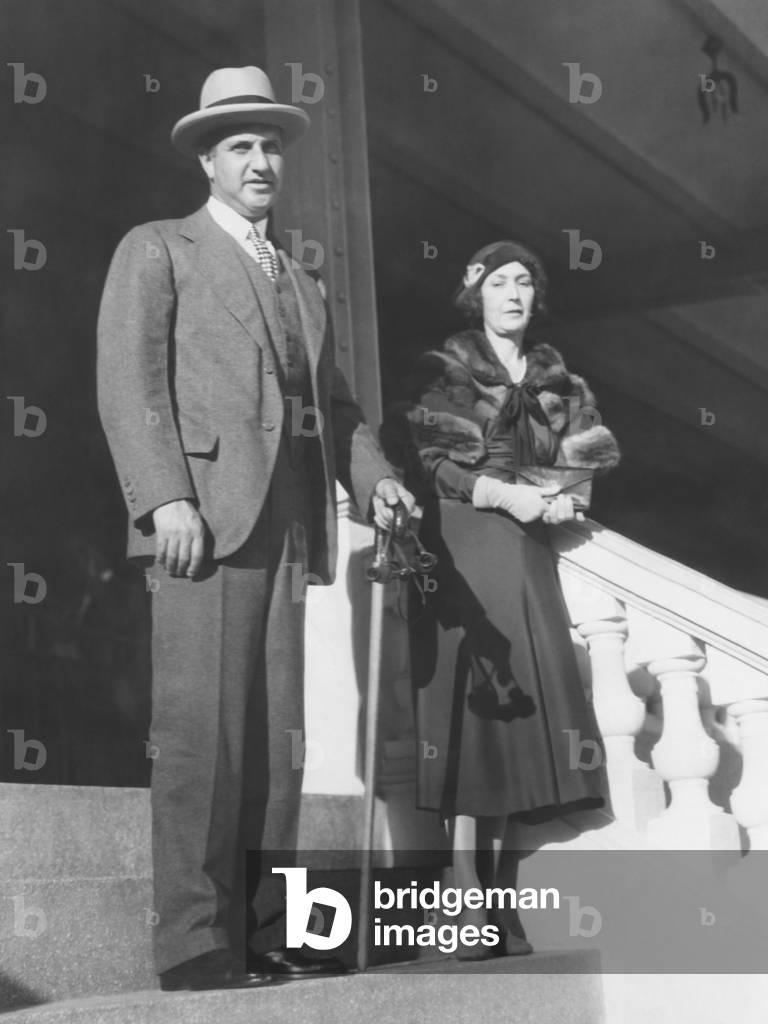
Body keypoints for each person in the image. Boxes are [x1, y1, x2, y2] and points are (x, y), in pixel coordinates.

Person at [96, 66, 413, 991]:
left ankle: (270, 931)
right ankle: (196, 944)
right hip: (202, 523)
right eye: (240, 144)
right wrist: (164, 497)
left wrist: (380, 481)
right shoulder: (159, 249)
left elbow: (342, 410)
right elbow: (130, 381)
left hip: (289, 530)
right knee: (202, 738)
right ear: (206, 159)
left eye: (271, 143)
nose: (261, 159)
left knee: (279, 742)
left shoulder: (304, 283)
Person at [381, 240, 620, 958]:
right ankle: (461, 900)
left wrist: (558, 497)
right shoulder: (444, 368)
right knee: (471, 725)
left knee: (526, 725)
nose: (513, 294)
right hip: (466, 546)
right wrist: (510, 494)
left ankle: (499, 900)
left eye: (525, 283)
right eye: (498, 283)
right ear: (475, 293)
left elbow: (586, 463)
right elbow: (432, 463)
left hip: (529, 555)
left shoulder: (561, 381)